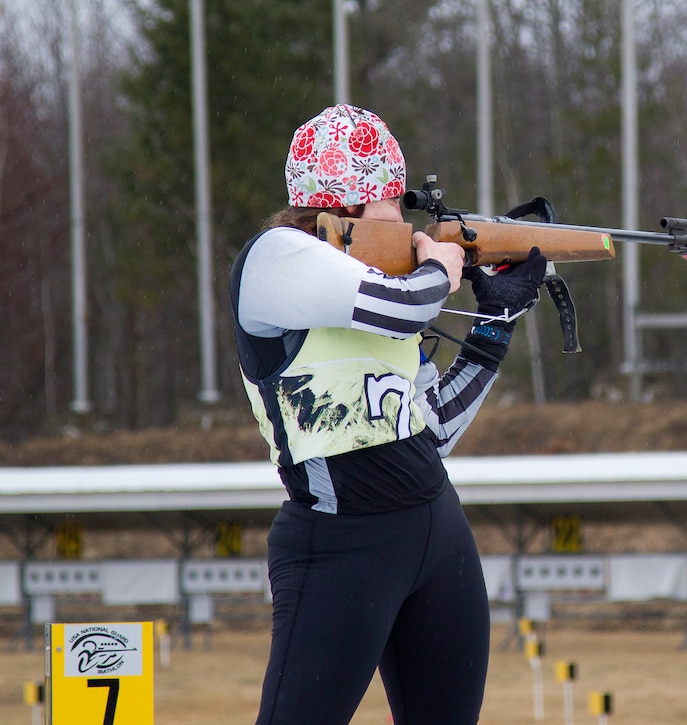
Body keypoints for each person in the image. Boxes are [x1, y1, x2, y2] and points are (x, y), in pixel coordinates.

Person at [229, 104, 546, 725]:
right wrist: (442, 267)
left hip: (436, 529)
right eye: (392, 204)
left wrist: (493, 330)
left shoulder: (386, 297)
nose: (403, 220)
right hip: (341, 542)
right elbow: (405, 305)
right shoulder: (276, 258)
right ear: (346, 206)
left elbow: (434, 431)